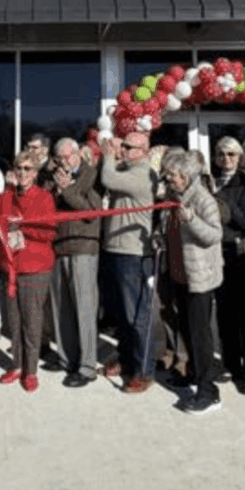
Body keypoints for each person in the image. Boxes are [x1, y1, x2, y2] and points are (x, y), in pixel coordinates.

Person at [161, 148, 224, 414]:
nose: (167, 180)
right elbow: (170, 228)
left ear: (185, 176)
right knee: (186, 331)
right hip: (179, 275)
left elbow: (214, 235)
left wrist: (192, 220)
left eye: (171, 175)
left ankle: (209, 392)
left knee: (200, 336)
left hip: (199, 279)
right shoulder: (174, 197)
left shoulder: (203, 199)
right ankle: (194, 374)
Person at [0, 152, 58, 392]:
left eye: (28, 169)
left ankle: (31, 371)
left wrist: (23, 225)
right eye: (18, 168)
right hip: (10, 267)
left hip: (34, 267)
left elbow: (49, 233)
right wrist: (2, 224)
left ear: (36, 173)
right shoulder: (6, 196)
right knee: (14, 320)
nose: (22, 173)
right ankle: (17, 365)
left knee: (32, 320)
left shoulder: (44, 197)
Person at [99, 131, 160, 394]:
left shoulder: (143, 174)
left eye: (127, 146)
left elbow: (108, 178)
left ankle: (144, 370)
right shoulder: (129, 168)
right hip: (115, 249)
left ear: (143, 150)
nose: (121, 149)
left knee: (137, 316)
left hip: (132, 253)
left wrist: (108, 155)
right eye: (121, 144)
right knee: (122, 315)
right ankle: (126, 360)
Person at [212, 136, 245, 394]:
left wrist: (221, 201)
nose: (226, 159)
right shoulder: (210, 181)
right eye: (221, 154)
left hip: (241, 256)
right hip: (217, 254)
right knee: (223, 314)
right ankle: (230, 364)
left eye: (232, 154)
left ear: (239, 158)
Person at [47, 137, 103, 388]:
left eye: (68, 156)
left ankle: (88, 366)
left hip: (83, 247)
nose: (64, 162)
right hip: (59, 246)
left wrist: (67, 189)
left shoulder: (92, 176)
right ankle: (66, 358)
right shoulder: (53, 176)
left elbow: (91, 213)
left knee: (84, 307)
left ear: (79, 154)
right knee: (62, 307)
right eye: (59, 158)